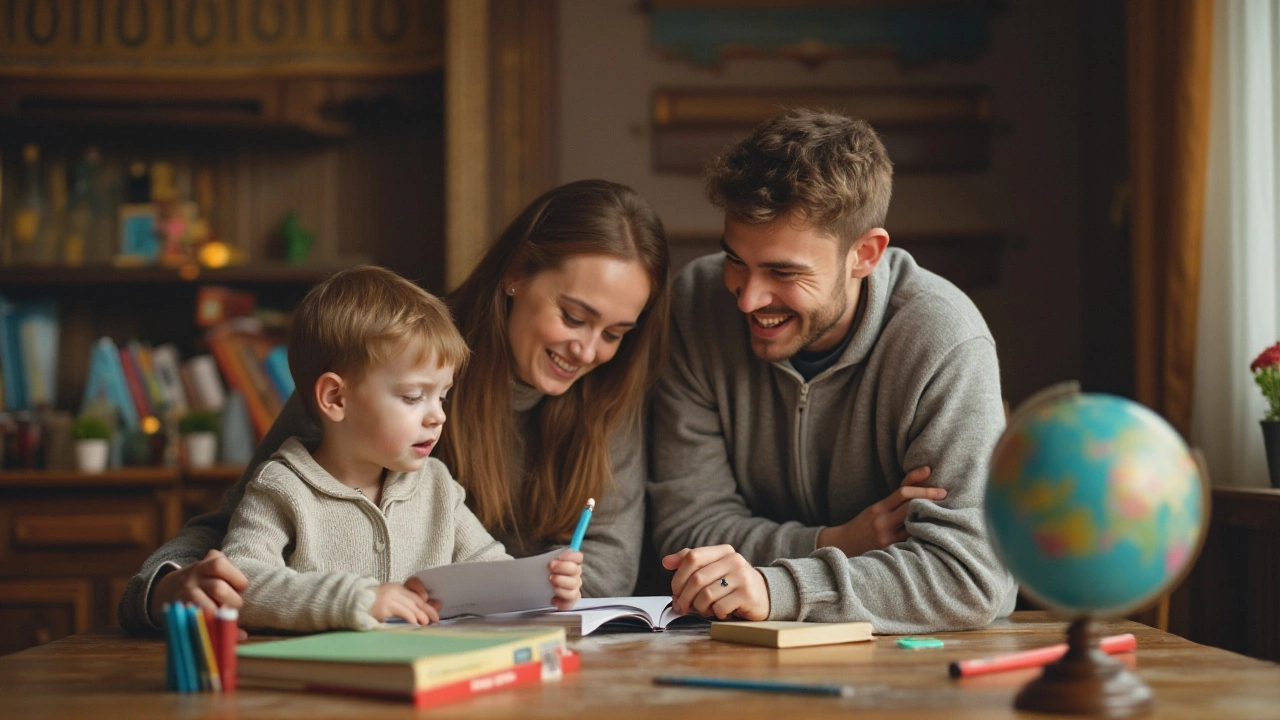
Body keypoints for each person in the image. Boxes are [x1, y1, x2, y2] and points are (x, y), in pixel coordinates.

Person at [118, 180, 670, 634]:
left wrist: (512, 588)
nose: (589, 351)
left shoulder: (608, 390)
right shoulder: (388, 359)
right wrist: (163, 585)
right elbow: (235, 529)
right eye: (573, 316)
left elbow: (602, 575)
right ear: (517, 272)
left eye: (616, 332)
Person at [648, 109, 1017, 634]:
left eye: (783, 272)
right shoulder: (696, 304)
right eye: (735, 259)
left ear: (864, 254)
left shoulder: (943, 338)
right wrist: (834, 541)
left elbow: (968, 575)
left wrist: (778, 587)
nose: (748, 298)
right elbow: (685, 530)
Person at [220, 266, 582, 631]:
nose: (438, 416)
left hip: (427, 674)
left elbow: (488, 567)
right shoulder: (282, 487)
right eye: (413, 397)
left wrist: (541, 587)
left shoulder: (436, 485)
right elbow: (240, 584)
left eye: (442, 396)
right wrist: (356, 599)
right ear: (335, 398)